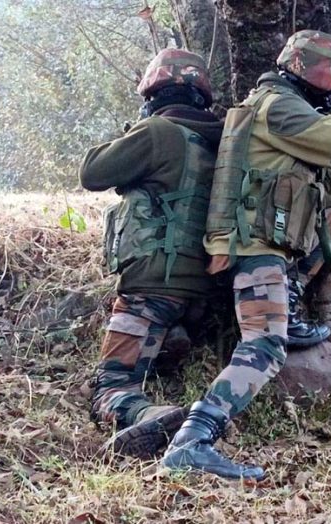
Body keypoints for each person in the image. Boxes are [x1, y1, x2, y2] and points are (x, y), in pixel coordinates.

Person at [162, 30, 331, 480]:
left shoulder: (283, 107)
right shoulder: (278, 103)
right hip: (254, 246)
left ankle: (286, 309)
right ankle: (193, 440)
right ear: (307, 68)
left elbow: (318, 195)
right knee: (266, 345)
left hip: (266, 246)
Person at [79, 49, 224, 460]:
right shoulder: (222, 143)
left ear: (153, 93)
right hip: (205, 288)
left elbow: (93, 172)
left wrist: (136, 130)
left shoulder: (157, 132)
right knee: (156, 334)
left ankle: (148, 413)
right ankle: (164, 347)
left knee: (107, 384)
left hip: (152, 283)